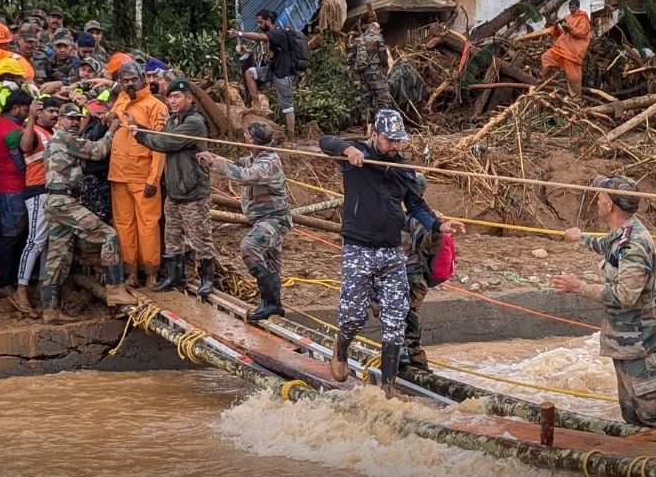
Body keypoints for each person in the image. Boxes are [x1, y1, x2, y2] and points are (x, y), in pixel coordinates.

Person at [319, 109, 464, 394]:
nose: (395, 145)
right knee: (354, 316)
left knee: (395, 319)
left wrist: (439, 225)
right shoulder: (357, 155)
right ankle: (341, 349)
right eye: (390, 140)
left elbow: (416, 205)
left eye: (399, 140)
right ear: (375, 135)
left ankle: (388, 387)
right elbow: (325, 141)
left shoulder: (403, 168)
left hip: (391, 250)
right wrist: (348, 150)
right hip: (358, 248)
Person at [552, 176, 656, 433]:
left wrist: (578, 286)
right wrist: (579, 238)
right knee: (633, 416)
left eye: (600, 197)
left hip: (641, 346)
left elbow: (625, 295)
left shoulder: (635, 243)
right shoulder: (622, 234)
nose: (597, 202)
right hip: (626, 343)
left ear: (610, 205)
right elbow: (606, 245)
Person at [40, 103, 136, 320]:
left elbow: (88, 143)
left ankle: (50, 309)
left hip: (55, 201)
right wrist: (112, 129)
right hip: (65, 202)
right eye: (70, 118)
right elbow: (98, 151)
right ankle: (115, 289)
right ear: (61, 120)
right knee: (109, 236)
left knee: (58, 255)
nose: (74, 122)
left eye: (77, 119)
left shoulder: (59, 140)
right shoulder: (66, 138)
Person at [130, 77, 215, 295]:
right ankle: (175, 276)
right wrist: (140, 127)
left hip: (193, 191)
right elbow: (161, 137)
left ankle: (207, 279)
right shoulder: (173, 120)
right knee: (172, 237)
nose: (172, 101)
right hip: (175, 191)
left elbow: (165, 142)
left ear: (189, 98)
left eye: (177, 96)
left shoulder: (194, 123)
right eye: (170, 97)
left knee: (200, 237)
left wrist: (138, 134)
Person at [198, 122, 290, 319]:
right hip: (261, 219)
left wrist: (215, 163)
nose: (245, 138)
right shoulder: (254, 157)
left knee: (249, 246)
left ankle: (270, 301)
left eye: (247, 135)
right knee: (272, 264)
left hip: (275, 219)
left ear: (254, 140)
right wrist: (216, 159)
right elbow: (239, 164)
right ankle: (274, 305)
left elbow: (246, 175)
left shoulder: (269, 163)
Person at [109, 61, 167, 287]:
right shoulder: (122, 99)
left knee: (148, 225)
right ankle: (131, 271)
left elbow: (160, 146)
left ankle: (151, 272)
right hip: (118, 174)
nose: (130, 84)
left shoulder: (156, 106)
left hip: (143, 176)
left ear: (143, 78)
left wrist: (154, 178)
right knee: (124, 225)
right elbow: (113, 119)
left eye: (133, 79)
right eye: (126, 81)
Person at [12, 97, 60, 315]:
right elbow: (24, 146)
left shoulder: (52, 133)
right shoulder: (34, 131)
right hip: (38, 191)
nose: (54, 114)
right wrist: (30, 118)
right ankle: (20, 291)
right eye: (50, 111)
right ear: (39, 114)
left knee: (48, 243)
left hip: (52, 192)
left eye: (56, 111)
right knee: (36, 241)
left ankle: (42, 286)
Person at [399, 172, 444, 371]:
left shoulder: (423, 218)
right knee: (402, 319)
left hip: (412, 276)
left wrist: (436, 229)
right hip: (402, 275)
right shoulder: (405, 214)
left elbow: (430, 246)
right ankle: (408, 363)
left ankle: (416, 367)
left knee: (407, 321)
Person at [230, 9, 297, 139]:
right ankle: (257, 107)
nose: (259, 25)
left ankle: (291, 138)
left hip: (283, 73)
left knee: (287, 107)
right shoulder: (272, 33)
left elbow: (261, 37)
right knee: (250, 73)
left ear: (268, 21)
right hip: (272, 70)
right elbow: (261, 41)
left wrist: (239, 33)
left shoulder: (278, 32)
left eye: (261, 22)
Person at [0, 89, 33, 293]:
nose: (27, 114)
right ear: (15, 108)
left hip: (3, 186)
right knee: (12, 235)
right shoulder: (12, 131)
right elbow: (21, 164)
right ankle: (4, 281)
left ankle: (7, 279)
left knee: (10, 234)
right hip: (13, 188)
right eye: (25, 110)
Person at [541, 0, 592, 98]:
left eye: (573, 7)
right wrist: (557, 27)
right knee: (545, 58)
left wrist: (570, 29)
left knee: (574, 78)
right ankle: (547, 86)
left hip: (573, 53)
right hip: (560, 49)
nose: (571, 9)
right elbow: (558, 33)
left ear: (578, 7)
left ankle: (576, 100)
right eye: (570, 7)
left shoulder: (583, 19)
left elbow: (581, 33)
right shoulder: (567, 17)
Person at [79, 98, 113, 224]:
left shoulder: (99, 124)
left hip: (100, 174)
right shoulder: (88, 125)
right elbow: (95, 147)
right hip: (91, 176)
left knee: (102, 215)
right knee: (94, 216)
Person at [351, 22, 392, 121]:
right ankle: (383, 123)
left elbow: (351, 58)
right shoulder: (378, 38)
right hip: (375, 72)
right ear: (376, 29)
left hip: (362, 74)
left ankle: (366, 126)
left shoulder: (359, 39)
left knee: (365, 98)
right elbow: (383, 57)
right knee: (383, 97)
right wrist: (384, 68)